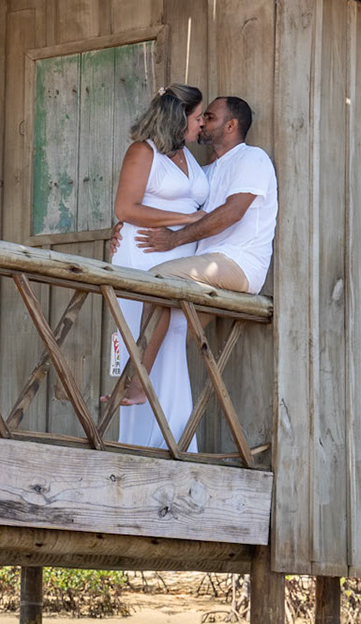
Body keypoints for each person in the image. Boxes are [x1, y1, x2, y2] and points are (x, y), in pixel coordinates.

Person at [107, 83, 208, 452]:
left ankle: (174, 444)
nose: (202, 124)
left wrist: (190, 224)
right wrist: (185, 217)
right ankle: (137, 445)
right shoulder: (142, 152)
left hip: (176, 258)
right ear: (179, 117)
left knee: (173, 346)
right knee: (142, 338)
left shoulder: (188, 157)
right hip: (142, 254)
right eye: (198, 117)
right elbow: (126, 208)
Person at [135, 95, 277, 295]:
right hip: (205, 261)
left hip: (239, 262)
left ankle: (131, 329)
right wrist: (128, 226)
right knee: (178, 324)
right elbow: (175, 209)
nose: (202, 123)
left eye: (209, 118)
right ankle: (136, 329)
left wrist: (175, 239)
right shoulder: (204, 173)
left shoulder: (253, 158)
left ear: (230, 126)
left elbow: (233, 212)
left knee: (158, 277)